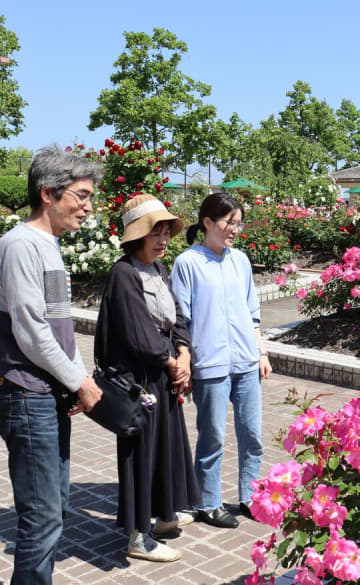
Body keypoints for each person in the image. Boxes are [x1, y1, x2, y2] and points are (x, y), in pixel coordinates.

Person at [0, 145, 104, 585]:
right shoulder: (20, 245)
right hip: (27, 396)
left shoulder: (48, 245)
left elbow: (59, 325)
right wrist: (77, 380)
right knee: (42, 518)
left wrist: (79, 377)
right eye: (81, 195)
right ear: (48, 193)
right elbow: (30, 330)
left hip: (47, 396)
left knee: (53, 508)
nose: (88, 206)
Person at [94, 194, 200, 562]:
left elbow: (178, 318)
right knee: (140, 454)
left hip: (163, 374)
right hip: (141, 381)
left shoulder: (157, 270)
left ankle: (163, 516)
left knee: (165, 448)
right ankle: (138, 536)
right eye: (155, 231)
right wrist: (174, 363)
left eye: (166, 231)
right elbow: (139, 334)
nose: (163, 239)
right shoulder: (124, 273)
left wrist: (185, 353)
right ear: (136, 236)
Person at [171, 194, 272, 529]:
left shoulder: (240, 260)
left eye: (238, 223)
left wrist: (262, 352)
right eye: (229, 222)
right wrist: (183, 362)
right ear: (208, 223)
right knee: (212, 436)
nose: (235, 229)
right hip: (210, 364)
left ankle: (249, 497)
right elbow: (179, 320)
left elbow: (252, 313)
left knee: (252, 435)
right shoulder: (187, 262)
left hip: (245, 361)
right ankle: (208, 502)